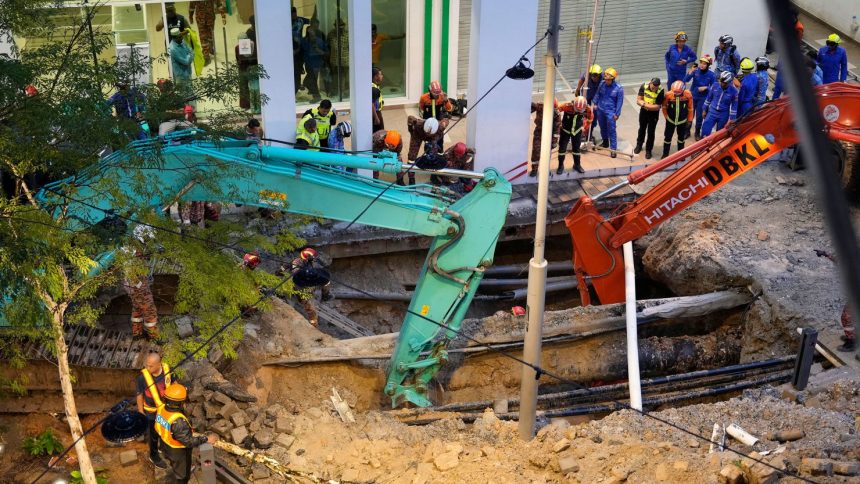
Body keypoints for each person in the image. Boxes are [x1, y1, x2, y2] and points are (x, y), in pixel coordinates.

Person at [155, 383, 217, 484]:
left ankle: (179, 470)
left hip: (165, 444)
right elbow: (188, 441)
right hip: (178, 451)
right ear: (180, 403)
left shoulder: (162, 408)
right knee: (182, 475)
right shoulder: (178, 421)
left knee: (174, 464)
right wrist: (206, 439)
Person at [137, 352, 173, 470]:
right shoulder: (143, 377)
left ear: (159, 364)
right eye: (147, 365)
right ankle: (154, 455)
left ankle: (164, 449)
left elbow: (175, 384)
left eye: (151, 366)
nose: (148, 368)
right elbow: (139, 395)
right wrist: (140, 411)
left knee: (166, 429)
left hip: (166, 410)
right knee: (153, 435)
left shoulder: (168, 370)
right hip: (151, 412)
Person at [123, 225, 159, 340]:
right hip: (137, 288)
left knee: (137, 308)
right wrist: (140, 285)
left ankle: (137, 333)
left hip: (132, 288)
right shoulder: (134, 253)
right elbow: (131, 273)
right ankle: (153, 336)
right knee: (150, 311)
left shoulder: (129, 250)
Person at [286, 247, 333, 326]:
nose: (314, 259)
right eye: (313, 258)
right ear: (307, 257)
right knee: (311, 308)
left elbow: (317, 267)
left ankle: (326, 295)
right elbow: (297, 272)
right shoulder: (296, 262)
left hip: (309, 281)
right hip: (300, 285)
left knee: (326, 282)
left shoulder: (309, 261)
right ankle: (313, 324)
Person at [592, 67, 624, 158]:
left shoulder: (619, 89)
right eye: (605, 79)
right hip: (600, 110)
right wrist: (595, 103)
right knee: (602, 127)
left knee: (612, 130)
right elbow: (598, 94)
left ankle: (613, 149)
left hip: (611, 112)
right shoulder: (602, 84)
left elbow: (619, 102)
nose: (606, 81)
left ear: (613, 79)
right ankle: (605, 142)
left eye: (609, 80)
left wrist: (617, 114)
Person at [405, 116, 445, 185]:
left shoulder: (441, 126)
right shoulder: (418, 123)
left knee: (434, 156)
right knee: (411, 157)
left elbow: (446, 120)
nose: (427, 134)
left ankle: (434, 174)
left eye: (429, 133)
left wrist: (434, 142)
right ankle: (411, 178)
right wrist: (411, 130)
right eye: (427, 132)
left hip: (432, 139)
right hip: (418, 135)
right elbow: (410, 118)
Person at [557, 96, 592, 174]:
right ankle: (560, 165)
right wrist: (559, 123)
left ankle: (577, 165)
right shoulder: (567, 106)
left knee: (576, 149)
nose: (579, 111)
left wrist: (585, 127)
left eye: (581, 110)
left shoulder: (587, 108)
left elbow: (590, 118)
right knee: (562, 149)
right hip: (565, 130)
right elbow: (556, 111)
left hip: (577, 131)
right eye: (577, 110)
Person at [685, 55, 716, 140]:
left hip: (702, 98)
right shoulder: (695, 71)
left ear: (708, 65)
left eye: (704, 64)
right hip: (692, 96)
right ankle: (687, 131)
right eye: (701, 63)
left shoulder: (711, 75)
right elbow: (686, 80)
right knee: (689, 114)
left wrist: (706, 87)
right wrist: (690, 71)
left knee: (699, 117)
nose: (701, 65)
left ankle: (697, 133)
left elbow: (715, 87)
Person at [661, 81, 693, 159]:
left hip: (682, 121)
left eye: (678, 93)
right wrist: (666, 117)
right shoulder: (668, 95)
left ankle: (681, 155)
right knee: (667, 138)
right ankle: (665, 154)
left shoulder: (688, 94)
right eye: (674, 92)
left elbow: (690, 108)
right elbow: (664, 106)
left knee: (681, 139)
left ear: (683, 90)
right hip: (670, 121)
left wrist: (689, 120)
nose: (676, 94)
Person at [634, 77, 665, 160]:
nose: (654, 89)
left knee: (651, 132)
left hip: (653, 114)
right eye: (653, 87)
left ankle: (649, 150)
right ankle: (639, 145)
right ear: (650, 83)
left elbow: (657, 107)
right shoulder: (644, 86)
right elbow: (638, 100)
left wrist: (644, 105)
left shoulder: (661, 90)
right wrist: (645, 105)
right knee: (642, 129)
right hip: (643, 112)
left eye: (656, 87)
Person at [528, 100, 561, 176]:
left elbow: (557, 129)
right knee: (536, 151)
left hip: (549, 134)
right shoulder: (541, 106)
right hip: (539, 132)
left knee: (546, 153)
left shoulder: (556, 114)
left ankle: (545, 169)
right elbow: (532, 106)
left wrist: (554, 142)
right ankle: (534, 169)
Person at [701, 71, 739, 137]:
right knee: (705, 130)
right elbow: (708, 99)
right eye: (721, 82)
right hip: (712, 112)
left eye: (724, 83)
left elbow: (734, 107)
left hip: (723, 115)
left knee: (720, 134)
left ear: (729, 82)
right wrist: (704, 109)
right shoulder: (715, 86)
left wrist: (732, 119)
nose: (721, 84)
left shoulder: (734, 92)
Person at [419, 80, 453, 152]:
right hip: (428, 123)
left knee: (440, 141)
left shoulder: (443, 97)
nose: (437, 95)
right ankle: (427, 155)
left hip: (439, 122)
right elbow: (421, 108)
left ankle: (440, 155)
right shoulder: (423, 98)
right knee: (427, 141)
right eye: (435, 93)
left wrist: (446, 100)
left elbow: (450, 109)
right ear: (430, 90)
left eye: (438, 93)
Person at [300, 22, 327, 103]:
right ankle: (315, 94)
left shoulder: (319, 41)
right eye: (309, 31)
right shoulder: (304, 41)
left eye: (312, 31)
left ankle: (316, 95)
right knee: (309, 81)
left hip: (316, 64)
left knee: (310, 81)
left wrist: (318, 50)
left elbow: (325, 52)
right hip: (308, 63)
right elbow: (302, 51)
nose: (311, 32)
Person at [188, 0, 219, 65]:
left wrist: (223, 15)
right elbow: (192, 5)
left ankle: (210, 48)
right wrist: (190, 16)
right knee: (203, 36)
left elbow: (218, 3)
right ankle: (206, 55)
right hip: (200, 18)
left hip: (210, 17)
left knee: (210, 34)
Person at [328, 18, 350, 97]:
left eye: (342, 25)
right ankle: (336, 91)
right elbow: (328, 46)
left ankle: (343, 92)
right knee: (334, 77)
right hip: (334, 60)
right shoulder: (331, 34)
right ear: (335, 26)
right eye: (339, 26)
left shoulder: (348, 34)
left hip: (345, 60)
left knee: (344, 77)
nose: (341, 27)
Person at [291, 7, 310, 95]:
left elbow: (312, 21)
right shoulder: (285, 20)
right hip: (288, 48)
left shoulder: (301, 20)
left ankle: (297, 86)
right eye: (292, 14)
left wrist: (307, 34)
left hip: (299, 48)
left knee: (298, 69)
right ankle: (293, 86)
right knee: (292, 70)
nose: (293, 16)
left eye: (294, 13)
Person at [372, 67, 385, 132]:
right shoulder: (374, 89)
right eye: (380, 74)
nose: (382, 76)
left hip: (376, 113)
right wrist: (376, 118)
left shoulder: (374, 86)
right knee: (380, 133)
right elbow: (372, 104)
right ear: (376, 76)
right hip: (376, 113)